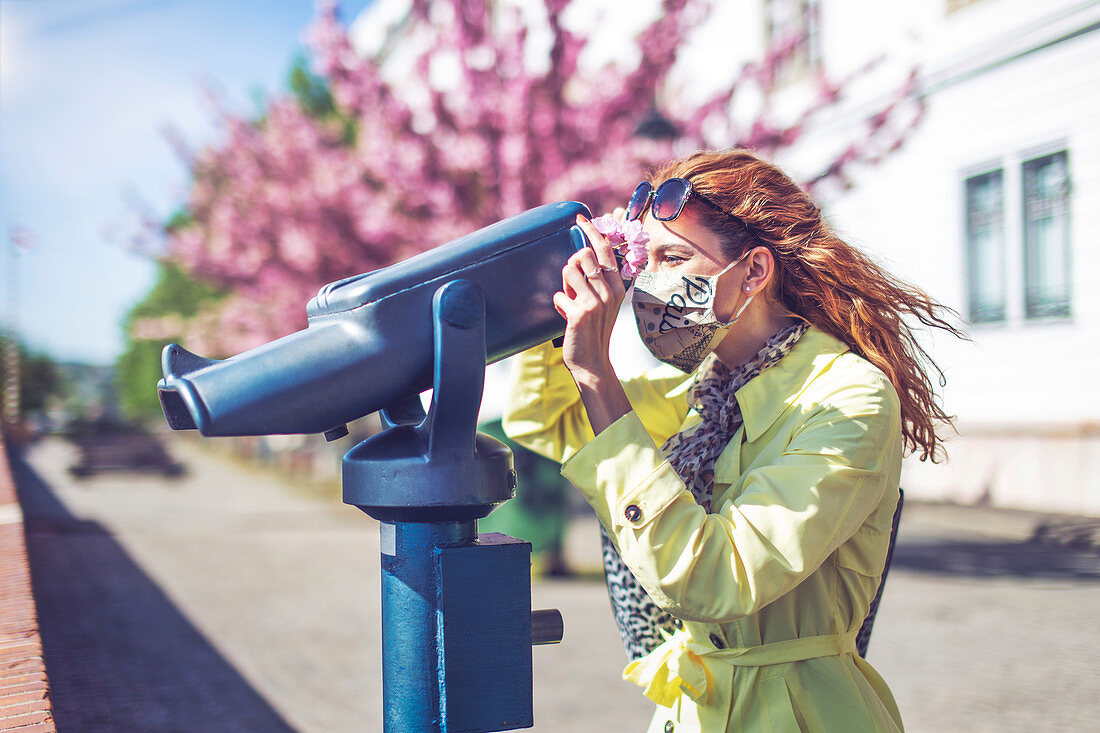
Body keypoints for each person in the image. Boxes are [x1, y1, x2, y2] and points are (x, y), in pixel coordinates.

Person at [502, 148, 961, 732]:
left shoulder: (848, 398)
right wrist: (560, 311)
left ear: (753, 272)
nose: (650, 283)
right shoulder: (704, 392)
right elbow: (547, 421)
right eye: (646, 261)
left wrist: (596, 369)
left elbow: (717, 579)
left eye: (675, 257)